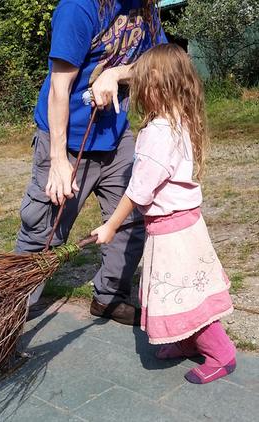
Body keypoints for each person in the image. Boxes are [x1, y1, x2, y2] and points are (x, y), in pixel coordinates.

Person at [91, 43, 237, 384]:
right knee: (182, 292)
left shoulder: (158, 133)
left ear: (157, 86)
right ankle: (186, 341)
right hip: (182, 227)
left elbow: (139, 189)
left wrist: (111, 225)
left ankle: (222, 354)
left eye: (141, 83)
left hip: (173, 233)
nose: (137, 91)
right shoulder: (179, 120)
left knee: (184, 294)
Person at [16, 0, 167, 325]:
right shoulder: (80, 7)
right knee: (44, 228)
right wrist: (57, 160)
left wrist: (116, 72)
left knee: (129, 220)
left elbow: (161, 64)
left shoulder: (147, 7)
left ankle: (110, 297)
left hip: (115, 134)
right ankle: (15, 303)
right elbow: (60, 86)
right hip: (66, 138)